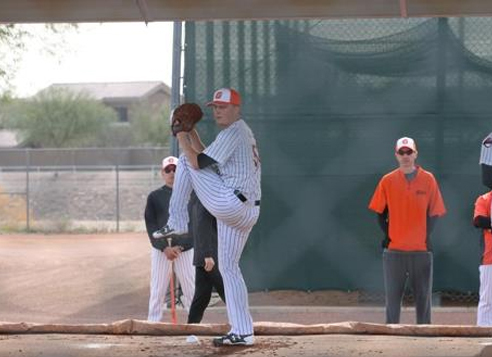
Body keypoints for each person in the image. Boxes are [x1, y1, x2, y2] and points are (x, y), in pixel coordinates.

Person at [154, 88, 261, 346]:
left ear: (237, 108)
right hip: (245, 210)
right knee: (229, 269)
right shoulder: (240, 132)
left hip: (230, 203)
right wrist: (191, 132)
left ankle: (177, 221)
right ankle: (243, 332)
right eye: (215, 107)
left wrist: (181, 136)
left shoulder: (234, 131)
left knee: (184, 159)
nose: (217, 111)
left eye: (223, 106)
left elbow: (197, 161)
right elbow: (208, 159)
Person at [368, 137, 446, 324]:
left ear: (415, 154)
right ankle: (391, 342)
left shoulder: (428, 179)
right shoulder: (387, 180)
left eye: (409, 152)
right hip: (394, 251)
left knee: (423, 300)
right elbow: (380, 212)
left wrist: (426, 236)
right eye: (401, 152)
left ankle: (425, 340)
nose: (405, 156)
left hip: (421, 250)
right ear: (396, 155)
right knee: (393, 301)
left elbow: (434, 213)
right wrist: (388, 235)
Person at [144, 156, 195, 322]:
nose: (172, 173)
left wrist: (180, 247)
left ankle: (194, 327)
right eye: (168, 170)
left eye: (176, 169)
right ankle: (153, 324)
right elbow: (151, 225)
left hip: (185, 250)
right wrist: (164, 248)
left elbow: (194, 225)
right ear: (162, 173)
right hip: (161, 250)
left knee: (190, 289)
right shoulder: (154, 197)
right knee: (158, 289)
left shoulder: (190, 195)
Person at [187, 192, 226, 324]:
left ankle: (190, 332)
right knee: (229, 292)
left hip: (207, 253)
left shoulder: (201, 194)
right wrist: (207, 254)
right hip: (211, 255)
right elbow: (201, 225)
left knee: (202, 296)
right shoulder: (203, 195)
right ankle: (242, 327)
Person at [473, 132, 492, 326]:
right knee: (487, 300)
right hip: (490, 258)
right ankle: (484, 335)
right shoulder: (485, 198)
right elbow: (479, 221)